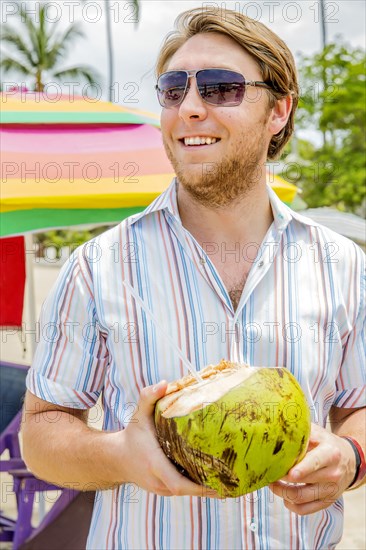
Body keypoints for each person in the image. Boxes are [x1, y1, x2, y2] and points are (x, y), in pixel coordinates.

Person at [22, 7, 365, 549]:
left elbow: (359, 406)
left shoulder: (344, 266)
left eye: (221, 88)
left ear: (279, 109)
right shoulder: (97, 267)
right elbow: (40, 433)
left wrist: (351, 457)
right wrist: (119, 455)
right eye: (172, 90)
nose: (190, 109)